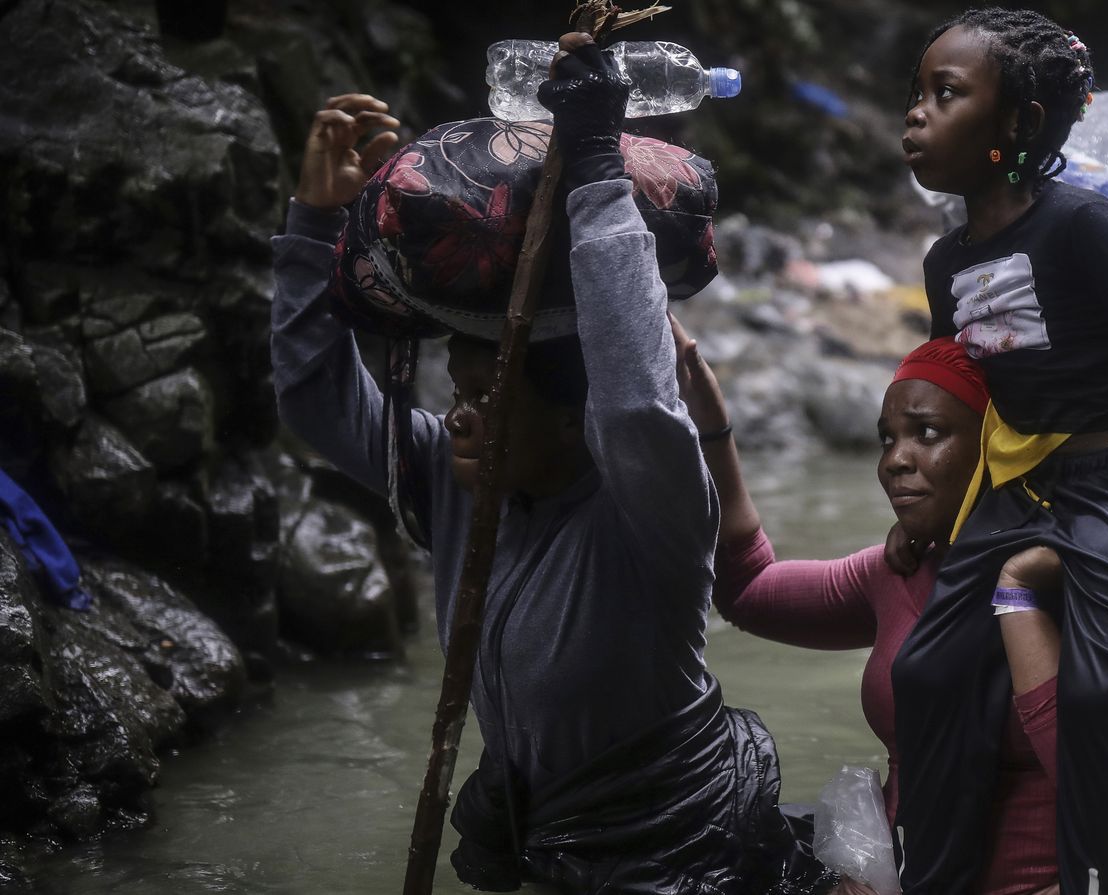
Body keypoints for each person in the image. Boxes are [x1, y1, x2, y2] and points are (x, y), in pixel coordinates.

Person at [270, 46, 830, 895]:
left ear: (578, 420)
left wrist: (600, 165)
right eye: (456, 389)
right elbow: (315, 400)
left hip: (679, 841)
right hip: (554, 837)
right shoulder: (458, 487)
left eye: (486, 396)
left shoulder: (649, 513)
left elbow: (639, 401)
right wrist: (315, 226)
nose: (456, 412)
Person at [893, 10, 1108, 895]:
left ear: (1015, 123)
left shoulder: (1081, 224)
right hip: (1021, 486)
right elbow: (958, 397)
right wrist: (930, 515)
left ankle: (1100, 881)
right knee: (926, 668)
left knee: (1097, 696)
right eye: (918, 94)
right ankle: (936, 876)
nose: (917, 114)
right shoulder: (946, 263)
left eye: (946, 94)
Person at [677, 331, 1108, 894]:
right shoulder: (902, 571)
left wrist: (1016, 593)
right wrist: (712, 429)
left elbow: (1102, 788)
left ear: (1002, 444)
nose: (893, 462)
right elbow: (748, 590)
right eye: (888, 439)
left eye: (926, 434)